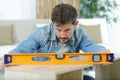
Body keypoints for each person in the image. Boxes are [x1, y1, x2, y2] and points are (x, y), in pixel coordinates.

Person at [0, 3, 109, 80]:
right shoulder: (41, 34)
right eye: (58, 29)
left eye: (67, 30)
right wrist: (6, 58)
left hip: (69, 74)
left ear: (75, 25)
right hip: (45, 75)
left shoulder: (80, 33)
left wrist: (103, 51)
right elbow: (21, 49)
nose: (62, 35)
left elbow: (91, 46)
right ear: (53, 24)